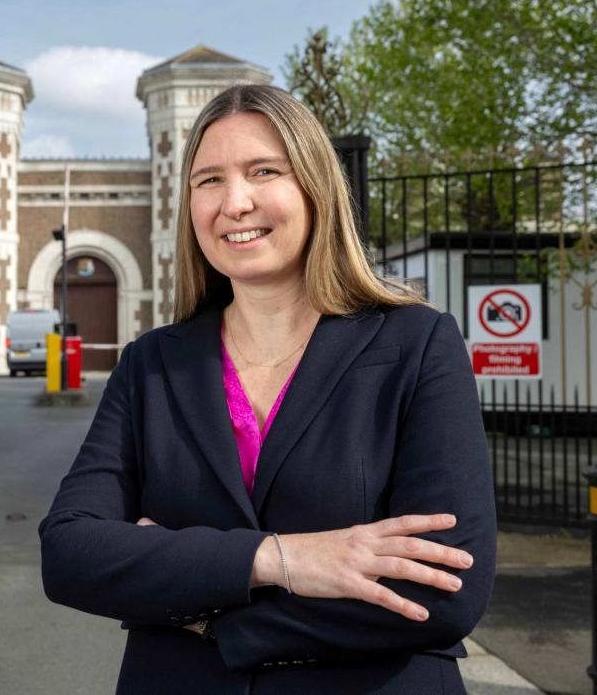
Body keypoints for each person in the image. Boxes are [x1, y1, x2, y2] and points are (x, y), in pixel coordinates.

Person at [39, 84, 496, 694]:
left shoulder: (416, 346)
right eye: (208, 180)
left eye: (263, 171)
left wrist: (204, 614)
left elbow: (442, 591)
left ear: (314, 186)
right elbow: (70, 553)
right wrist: (282, 560)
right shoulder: (150, 367)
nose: (235, 202)